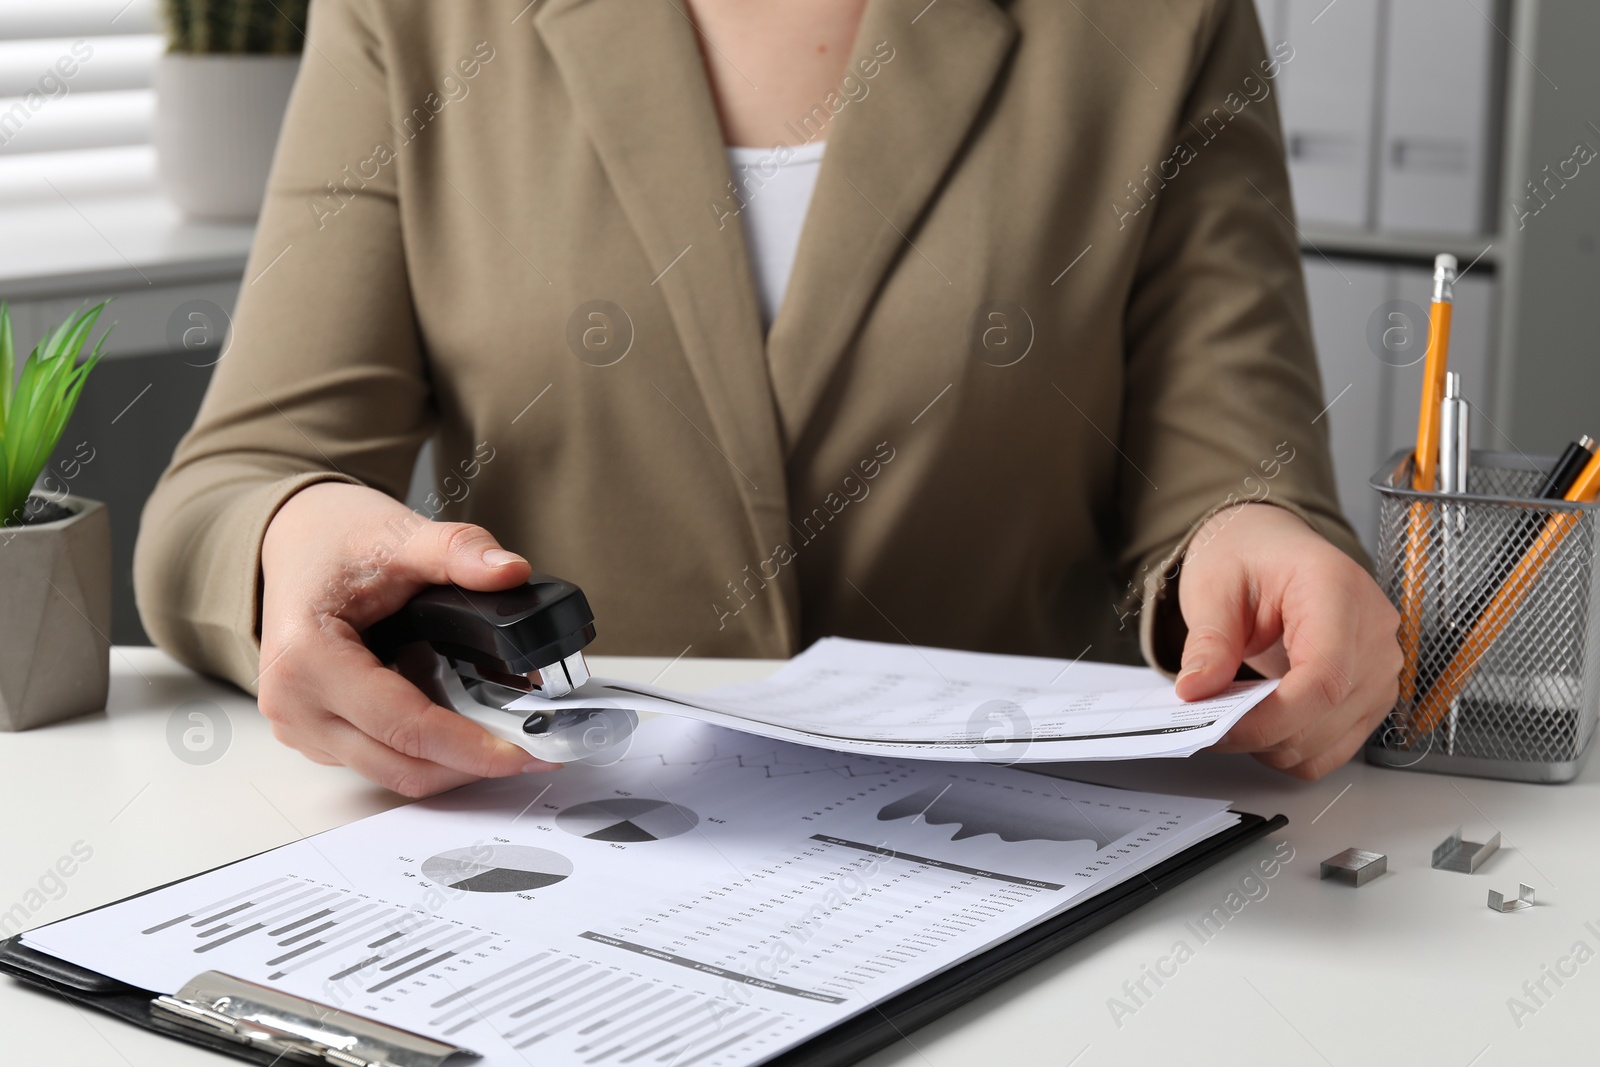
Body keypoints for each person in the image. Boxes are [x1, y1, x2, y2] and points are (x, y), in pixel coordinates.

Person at [134, 0, 1401, 798]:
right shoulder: (412, 18)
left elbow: (1233, 476)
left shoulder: (1166, 21)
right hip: (561, 855)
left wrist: (1261, 545)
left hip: (1022, 858)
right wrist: (287, 544)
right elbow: (232, 486)